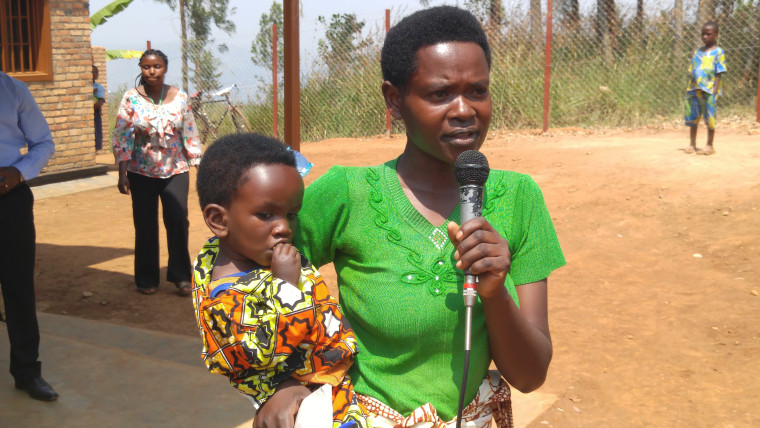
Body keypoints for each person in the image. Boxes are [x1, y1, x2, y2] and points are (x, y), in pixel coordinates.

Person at [256, 6, 567, 428]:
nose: (464, 109)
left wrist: (494, 293)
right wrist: (283, 382)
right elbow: (242, 274)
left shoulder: (519, 198)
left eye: (478, 91)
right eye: (440, 94)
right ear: (394, 100)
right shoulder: (348, 192)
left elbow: (531, 375)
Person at [192, 133, 369, 428]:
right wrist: (285, 286)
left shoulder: (250, 255)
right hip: (307, 405)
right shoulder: (225, 295)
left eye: (291, 214)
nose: (283, 228)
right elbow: (262, 350)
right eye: (265, 214)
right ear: (219, 221)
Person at [112, 49, 201, 296]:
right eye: (147, 67)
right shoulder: (131, 98)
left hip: (175, 169)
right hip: (141, 171)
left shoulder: (180, 97)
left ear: (165, 68)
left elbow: (190, 131)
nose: (152, 71)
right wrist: (123, 172)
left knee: (177, 220)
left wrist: (197, 163)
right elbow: (122, 135)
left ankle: (181, 276)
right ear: (141, 68)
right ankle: (146, 278)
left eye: (157, 66)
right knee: (145, 223)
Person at [0, 71, 58, 401]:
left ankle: (27, 372)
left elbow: (43, 143)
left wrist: (19, 172)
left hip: (9, 201)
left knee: (18, 288)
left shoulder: (14, 91)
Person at [684, 20, 727, 156]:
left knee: (710, 118)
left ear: (716, 35)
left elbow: (719, 73)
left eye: (708, 34)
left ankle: (709, 145)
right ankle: (692, 144)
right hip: (694, 90)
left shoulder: (718, 52)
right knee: (693, 117)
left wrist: (714, 92)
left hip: (708, 91)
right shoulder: (698, 51)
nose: (704, 37)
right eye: (702, 34)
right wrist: (690, 87)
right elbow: (692, 70)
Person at [93, 65, 106, 151]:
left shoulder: (99, 88)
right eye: (91, 72)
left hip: (95, 113)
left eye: (95, 72)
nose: (93, 74)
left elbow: (100, 102)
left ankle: (95, 151)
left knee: (96, 133)